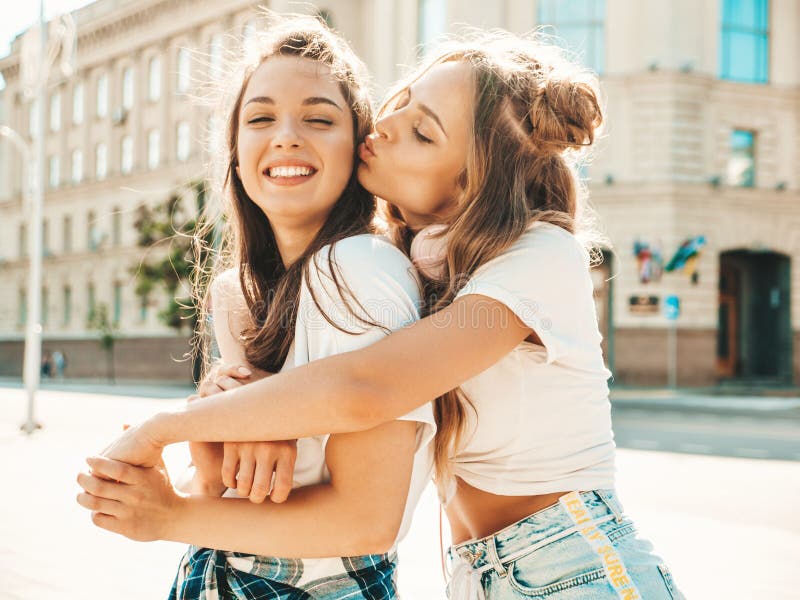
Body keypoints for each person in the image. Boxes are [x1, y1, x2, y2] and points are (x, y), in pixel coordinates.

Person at [79, 29, 684, 599]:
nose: (385, 127)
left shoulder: (538, 256)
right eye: (398, 104)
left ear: (474, 179)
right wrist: (240, 388)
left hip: (576, 562)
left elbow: (368, 386)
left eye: (422, 133)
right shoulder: (420, 264)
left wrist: (168, 432)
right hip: (481, 573)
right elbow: (275, 314)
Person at [77, 17, 434, 599]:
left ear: (359, 149)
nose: (287, 136)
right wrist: (216, 436)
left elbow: (368, 520)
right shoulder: (235, 293)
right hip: (214, 577)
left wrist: (166, 513)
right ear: (237, 155)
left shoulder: (363, 269)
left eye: (319, 119)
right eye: (261, 118)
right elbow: (233, 494)